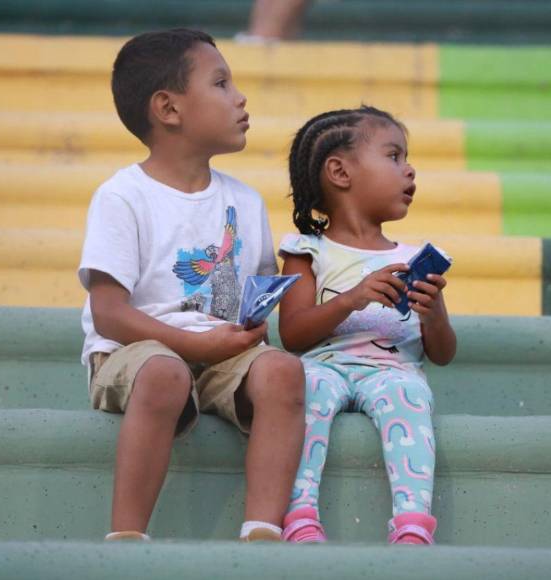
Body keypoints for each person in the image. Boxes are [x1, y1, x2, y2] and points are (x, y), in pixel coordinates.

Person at [79, 29, 306, 543]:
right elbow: (110, 312)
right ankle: (127, 537)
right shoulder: (123, 197)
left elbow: (257, 300)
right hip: (138, 350)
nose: (240, 97)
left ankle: (263, 531)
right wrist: (194, 344)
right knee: (164, 374)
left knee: (283, 373)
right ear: (169, 108)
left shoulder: (245, 201)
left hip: (222, 353)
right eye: (221, 84)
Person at [277, 106, 457, 544]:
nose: (410, 170)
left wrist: (434, 313)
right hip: (326, 366)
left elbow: (443, 353)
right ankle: (299, 514)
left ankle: (413, 525)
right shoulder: (307, 251)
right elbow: (293, 335)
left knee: (411, 393)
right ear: (340, 172)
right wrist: (354, 298)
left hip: (394, 372)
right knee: (306, 386)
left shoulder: (417, 258)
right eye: (394, 156)